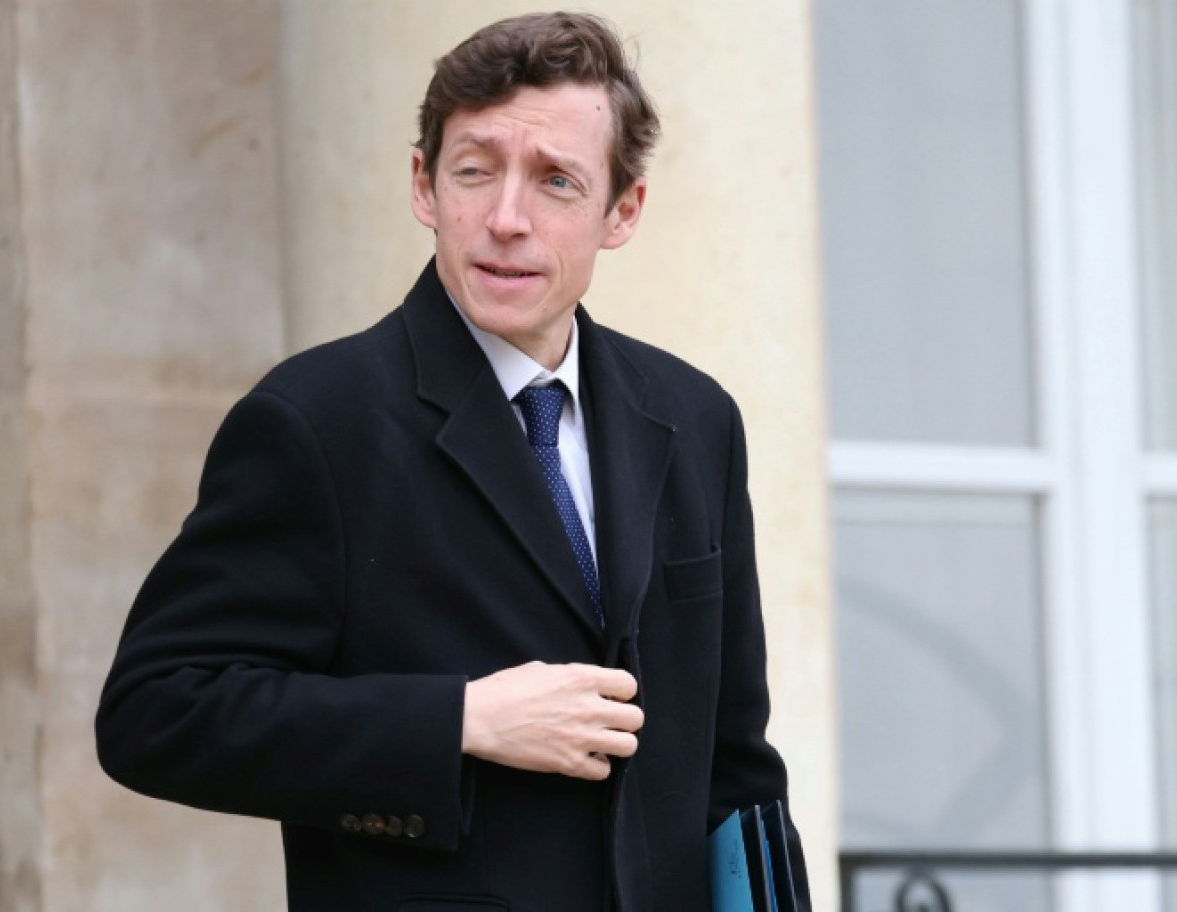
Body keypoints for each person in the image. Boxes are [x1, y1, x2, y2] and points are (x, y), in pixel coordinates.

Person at [96, 11, 811, 911]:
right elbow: (156, 713)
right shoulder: (313, 421)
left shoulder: (696, 418)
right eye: (475, 170)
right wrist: (459, 722)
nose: (505, 219)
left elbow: (738, 771)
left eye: (556, 181)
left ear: (622, 210)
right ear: (424, 186)